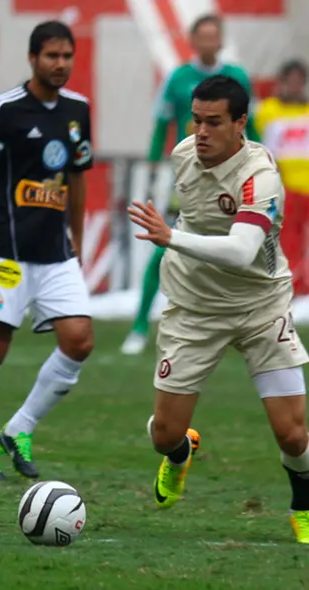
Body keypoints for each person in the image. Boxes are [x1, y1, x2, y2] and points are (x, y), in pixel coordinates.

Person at [128, 75, 309, 544]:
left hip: (260, 308)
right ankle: (181, 452)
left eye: (214, 122)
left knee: (292, 435)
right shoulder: (184, 154)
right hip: (194, 309)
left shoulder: (261, 177)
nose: (201, 132)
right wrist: (176, 236)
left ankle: (303, 502)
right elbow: (195, 214)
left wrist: (169, 237)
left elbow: (241, 251)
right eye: (197, 120)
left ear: (240, 124)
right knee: (163, 433)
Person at [0, 20, 94, 481]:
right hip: (6, 253)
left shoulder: (78, 110)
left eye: (67, 56)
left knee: (79, 340)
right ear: (33, 58)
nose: (60, 64)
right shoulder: (5, 109)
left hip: (56, 254)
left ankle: (19, 428)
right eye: (52, 56)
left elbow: (77, 178)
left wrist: (79, 241)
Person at [121, 13, 260, 355]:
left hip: (232, 177)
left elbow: (251, 126)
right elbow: (161, 124)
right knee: (165, 246)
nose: (209, 43)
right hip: (188, 180)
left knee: (243, 249)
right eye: (203, 36)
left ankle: (247, 326)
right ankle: (140, 325)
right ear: (193, 40)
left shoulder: (238, 78)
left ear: (221, 40)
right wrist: (155, 167)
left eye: (215, 36)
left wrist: (261, 162)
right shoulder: (179, 78)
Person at [255, 59, 309, 294]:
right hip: (286, 185)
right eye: (291, 81)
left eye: (300, 82)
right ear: (282, 83)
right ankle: (293, 284)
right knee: (289, 239)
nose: (295, 87)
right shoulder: (268, 111)